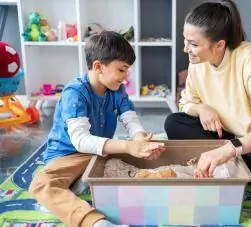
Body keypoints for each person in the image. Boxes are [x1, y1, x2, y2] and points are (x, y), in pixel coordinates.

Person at [29, 31, 165, 227]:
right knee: (41, 184)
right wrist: (128, 147)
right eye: (121, 70)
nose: (126, 76)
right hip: (70, 156)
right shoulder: (74, 93)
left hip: (100, 153)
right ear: (98, 66)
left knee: (135, 152)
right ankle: (96, 223)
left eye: (127, 70)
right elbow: (81, 141)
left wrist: (140, 138)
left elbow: (130, 118)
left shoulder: (117, 90)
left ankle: (82, 182)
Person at [164, 0, 251, 193]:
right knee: (174, 123)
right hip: (226, 135)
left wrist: (230, 149)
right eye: (185, 40)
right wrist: (202, 109)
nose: (185, 48)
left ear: (219, 45)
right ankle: (243, 170)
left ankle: (233, 164)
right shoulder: (198, 61)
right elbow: (186, 102)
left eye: (193, 44)